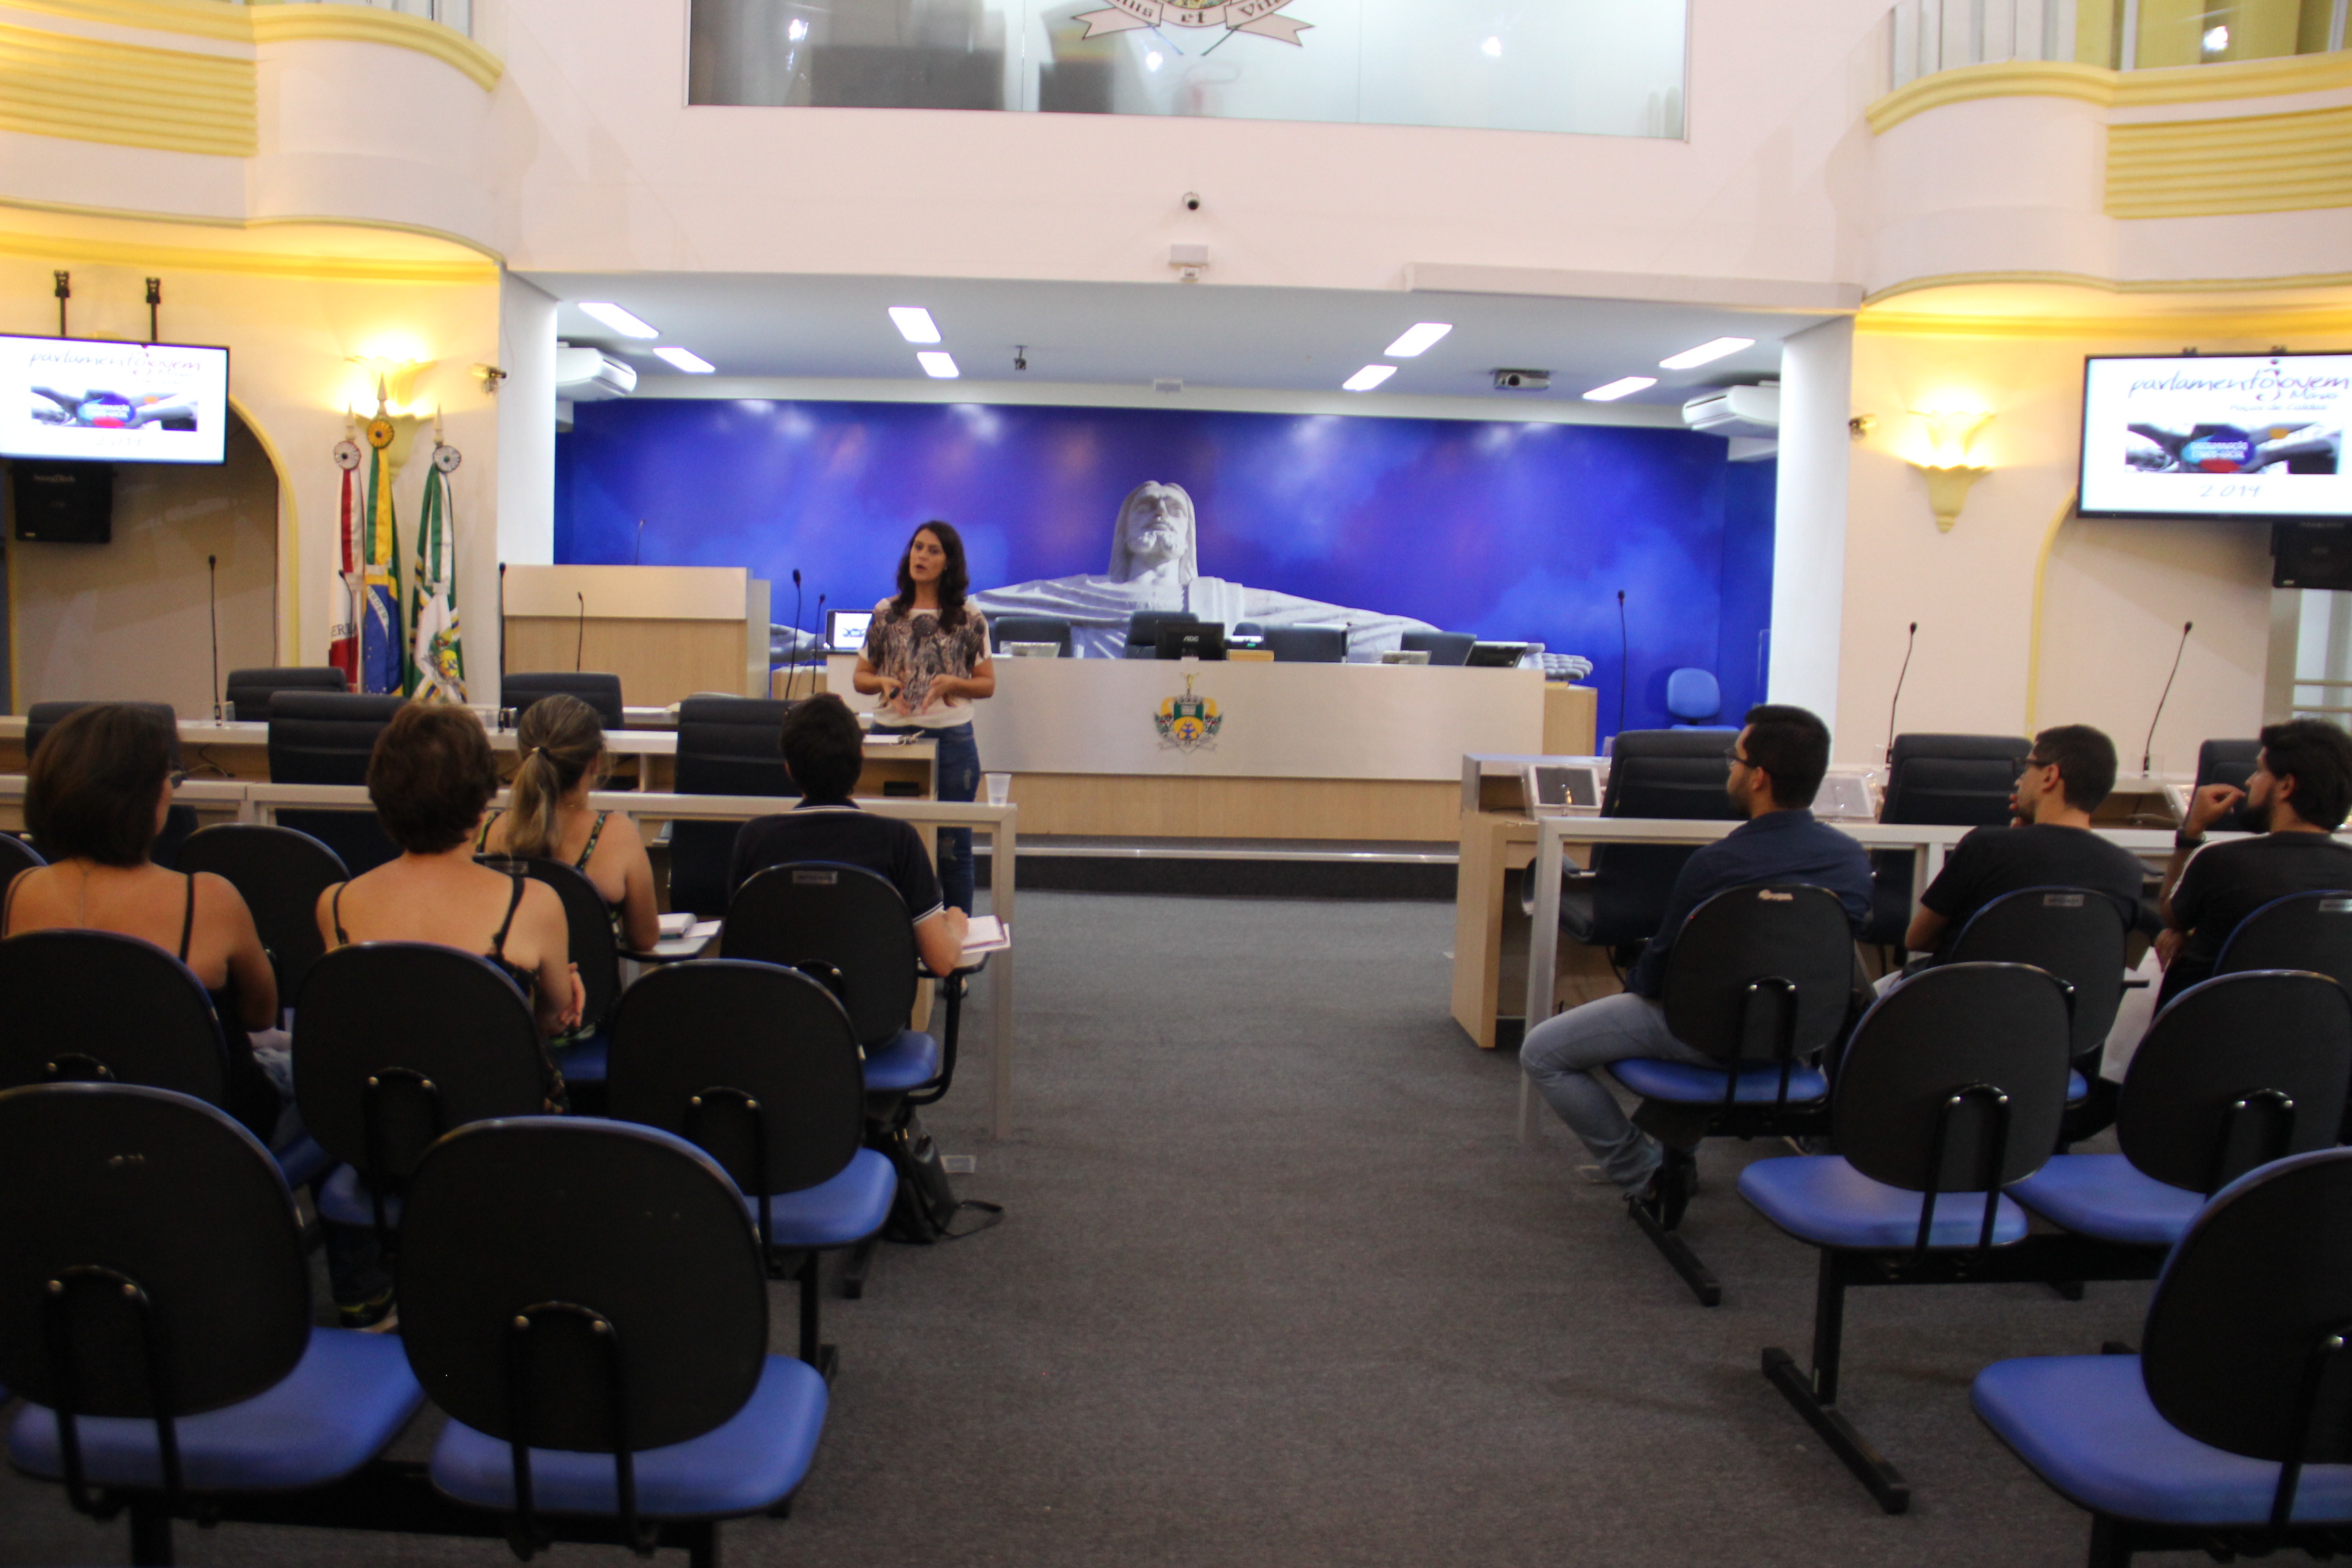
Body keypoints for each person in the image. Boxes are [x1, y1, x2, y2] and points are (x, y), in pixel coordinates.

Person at [1519, 704, 1872, 1210]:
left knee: (1543, 1052)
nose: (1730, 769)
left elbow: (1661, 973)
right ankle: (1672, 1148)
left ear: (1759, 779)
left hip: (1705, 1032)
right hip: (1800, 1032)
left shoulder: (1715, 864)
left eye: (1736, 759)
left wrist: (1634, 988)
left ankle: (1645, 1174)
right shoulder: (1851, 860)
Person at [3, 703, 282, 1140]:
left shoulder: (22, 891)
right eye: (167, 780)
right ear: (140, 800)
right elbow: (260, 1015)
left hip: (57, 1128)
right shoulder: (207, 899)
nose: (171, 792)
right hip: (202, 1138)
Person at [314, 702, 583, 1057]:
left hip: (373, 1104)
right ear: (481, 804)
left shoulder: (336, 904)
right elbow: (550, 1022)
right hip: (498, 1106)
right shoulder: (534, 903)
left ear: (382, 796)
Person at [969, 480, 1444, 659]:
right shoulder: (1081, 593)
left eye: (1173, 508)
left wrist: (1419, 636)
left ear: (1189, 532)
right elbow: (983, 609)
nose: (1160, 512)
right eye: (1147, 506)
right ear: (1123, 529)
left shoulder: (1219, 599)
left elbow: (1328, 621)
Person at [732, 693, 971, 979]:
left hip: (778, 1017)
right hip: (873, 1021)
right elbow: (942, 960)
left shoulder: (753, 840)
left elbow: (739, 950)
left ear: (789, 769)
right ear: (862, 758)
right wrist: (955, 924)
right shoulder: (898, 841)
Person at [1900, 723, 2147, 964]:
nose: (2019, 781)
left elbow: (1917, 939)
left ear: (2050, 776)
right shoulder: (2128, 870)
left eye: (2027, 768)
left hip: (1973, 1001)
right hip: (2068, 1005)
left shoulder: (1986, 847)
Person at [2157, 717, 2352, 1004]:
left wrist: (2191, 832)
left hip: (2219, 1033)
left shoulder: (2221, 863)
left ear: (2286, 785)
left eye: (2259, 771)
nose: (2248, 781)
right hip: (2325, 1037)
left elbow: (2169, 913)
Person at [855, 520, 995, 913]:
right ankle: (891, 939)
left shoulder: (969, 616)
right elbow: (860, 677)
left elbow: (987, 684)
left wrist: (953, 682)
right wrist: (882, 682)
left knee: (954, 848)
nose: (922, 556)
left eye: (933, 550)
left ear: (948, 562)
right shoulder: (886, 612)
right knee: (887, 845)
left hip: (950, 741)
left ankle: (956, 955)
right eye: (918, 547)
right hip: (890, 737)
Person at [478, 693, 661, 954]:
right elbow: (645, 939)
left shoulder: (484, 829)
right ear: (596, 762)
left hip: (502, 993)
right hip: (587, 994)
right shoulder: (616, 834)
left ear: (522, 756)